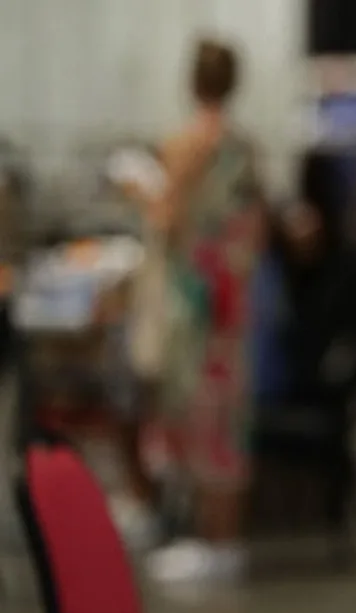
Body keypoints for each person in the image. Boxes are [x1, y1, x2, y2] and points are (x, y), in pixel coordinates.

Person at [135, 38, 265, 583]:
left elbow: (167, 219)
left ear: (193, 82)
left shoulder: (185, 146)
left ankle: (211, 543)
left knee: (196, 412)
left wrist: (137, 195)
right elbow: (255, 229)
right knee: (225, 414)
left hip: (194, 301)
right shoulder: (243, 148)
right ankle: (222, 540)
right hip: (230, 298)